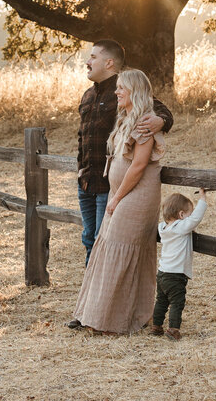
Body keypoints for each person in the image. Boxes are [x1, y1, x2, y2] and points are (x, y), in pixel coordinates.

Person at [71, 68, 167, 334]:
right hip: (121, 193)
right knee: (108, 250)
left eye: (122, 88)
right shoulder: (125, 118)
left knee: (121, 253)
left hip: (136, 197)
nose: (117, 92)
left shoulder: (146, 122)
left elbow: (137, 167)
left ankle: (119, 320)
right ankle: (100, 317)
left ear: (134, 90)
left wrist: (116, 198)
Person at [73, 40, 171, 265]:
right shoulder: (88, 95)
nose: (88, 62)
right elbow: (82, 137)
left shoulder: (125, 89)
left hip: (108, 184)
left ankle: (98, 294)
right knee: (89, 239)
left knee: (102, 240)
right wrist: (80, 172)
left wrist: (161, 120)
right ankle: (92, 291)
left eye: (93, 57)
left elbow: (158, 109)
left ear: (108, 62)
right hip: (86, 180)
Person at [150, 189, 207, 340]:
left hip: (162, 273)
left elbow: (191, 219)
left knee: (161, 301)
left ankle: (156, 326)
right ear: (181, 215)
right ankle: (173, 329)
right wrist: (203, 198)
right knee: (177, 302)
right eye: (188, 213)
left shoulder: (163, 228)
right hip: (175, 275)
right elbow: (196, 219)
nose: (189, 217)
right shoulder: (180, 228)